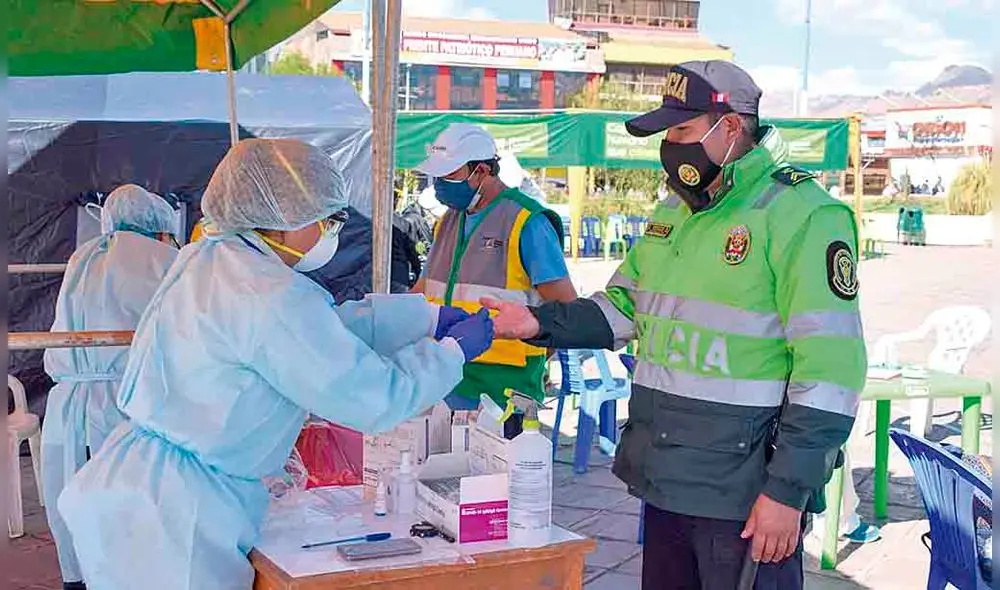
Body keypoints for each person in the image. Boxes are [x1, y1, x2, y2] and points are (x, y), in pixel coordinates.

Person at [483, 61, 866, 589]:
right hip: (665, 475)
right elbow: (626, 306)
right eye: (668, 132)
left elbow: (831, 372)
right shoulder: (676, 210)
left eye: (682, 130)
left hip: (744, 492)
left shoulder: (802, 214)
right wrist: (537, 321)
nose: (671, 144)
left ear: (730, 127)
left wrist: (788, 491)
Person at [57, 138, 494, 590]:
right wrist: (450, 353)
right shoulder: (269, 293)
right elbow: (372, 397)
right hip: (178, 516)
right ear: (282, 214)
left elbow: (321, 332)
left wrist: (423, 316)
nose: (330, 229)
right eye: (323, 217)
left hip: (134, 479)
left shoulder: (213, 259)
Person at [42, 184, 180, 590]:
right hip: (131, 397)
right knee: (134, 507)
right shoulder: (163, 259)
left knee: (75, 501)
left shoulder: (83, 256)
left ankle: (80, 580)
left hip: (69, 402)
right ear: (160, 230)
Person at [410, 123, 577, 410]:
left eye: (449, 174)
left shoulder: (527, 222)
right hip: (444, 378)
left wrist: (532, 358)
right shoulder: (448, 221)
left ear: (482, 172)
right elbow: (421, 292)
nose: (439, 184)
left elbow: (568, 312)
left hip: (504, 387)